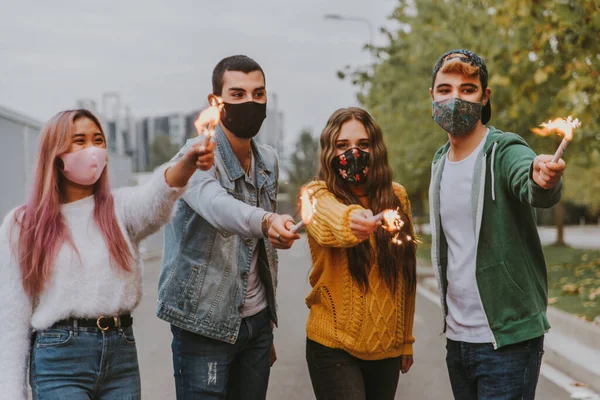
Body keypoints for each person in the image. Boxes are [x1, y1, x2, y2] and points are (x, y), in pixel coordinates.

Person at [0, 109, 215, 400]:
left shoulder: (119, 208)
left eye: (98, 140)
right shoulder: (22, 224)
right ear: (55, 152)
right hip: (58, 358)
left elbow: (156, 195)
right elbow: (12, 317)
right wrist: (11, 393)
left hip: (120, 352)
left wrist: (187, 163)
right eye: (79, 140)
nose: (92, 149)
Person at [157, 55, 299, 400]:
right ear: (215, 102)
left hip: (257, 323)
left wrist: (265, 328)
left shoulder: (269, 159)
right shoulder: (194, 156)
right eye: (237, 94)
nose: (249, 103)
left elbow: (260, 254)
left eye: (258, 94)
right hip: (203, 326)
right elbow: (217, 207)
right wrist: (266, 222)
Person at [428, 49, 566, 400]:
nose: (455, 99)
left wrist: (542, 177)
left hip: (508, 342)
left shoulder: (504, 150)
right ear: (432, 95)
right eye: (444, 90)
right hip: (458, 340)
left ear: (484, 96)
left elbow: (531, 178)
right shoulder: (439, 162)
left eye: (468, 89)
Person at [303, 107, 417, 400]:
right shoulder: (317, 195)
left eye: (362, 145)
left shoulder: (397, 197)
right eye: (342, 146)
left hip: (386, 346)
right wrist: (354, 220)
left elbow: (406, 274)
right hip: (333, 345)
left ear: (375, 148)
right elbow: (332, 220)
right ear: (330, 151)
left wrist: (405, 341)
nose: (353, 153)